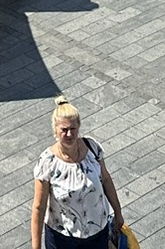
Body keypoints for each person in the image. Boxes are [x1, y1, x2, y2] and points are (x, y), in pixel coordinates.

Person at [30, 98, 123, 249]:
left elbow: (106, 180)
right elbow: (39, 207)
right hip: (62, 239)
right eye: (64, 130)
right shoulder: (47, 162)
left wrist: (118, 212)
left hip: (97, 233)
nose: (69, 134)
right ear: (55, 130)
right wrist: (36, 246)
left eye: (73, 129)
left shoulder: (92, 147)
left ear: (79, 127)